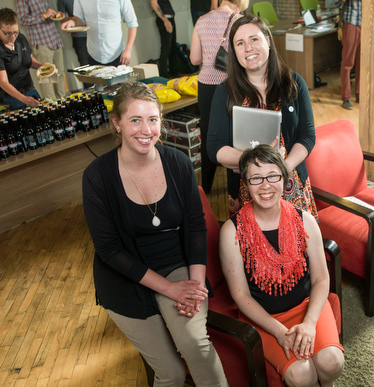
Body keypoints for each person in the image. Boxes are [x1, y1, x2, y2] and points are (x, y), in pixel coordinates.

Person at [82, 81, 228, 386]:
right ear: (117, 124)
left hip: (174, 265)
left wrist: (195, 286)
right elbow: (109, 250)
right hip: (122, 279)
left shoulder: (179, 164)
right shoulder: (97, 176)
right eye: (135, 120)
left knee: (196, 348)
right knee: (172, 373)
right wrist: (170, 290)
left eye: (153, 119)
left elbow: (195, 227)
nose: (145, 130)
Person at [220, 145, 344, 386]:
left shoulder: (305, 220)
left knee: (332, 363)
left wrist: (309, 323)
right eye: (256, 178)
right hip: (263, 318)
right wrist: (278, 331)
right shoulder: (231, 231)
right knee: (301, 376)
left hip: (307, 307)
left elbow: (320, 279)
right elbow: (241, 296)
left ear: (285, 178)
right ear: (245, 184)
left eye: (273, 176)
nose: (265, 185)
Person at [207, 15, 318, 220]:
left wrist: (283, 167)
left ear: (268, 40)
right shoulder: (225, 92)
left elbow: (307, 136)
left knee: (299, 246)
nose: (248, 48)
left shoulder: (294, 83)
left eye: (254, 39)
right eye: (240, 43)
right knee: (254, 249)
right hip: (246, 187)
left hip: (290, 180)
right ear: (234, 52)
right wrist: (253, 164)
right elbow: (215, 148)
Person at [190, 0, 249, 194]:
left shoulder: (201, 20)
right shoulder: (241, 22)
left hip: (206, 85)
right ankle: (237, 188)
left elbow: (194, 59)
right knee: (235, 136)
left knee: (209, 135)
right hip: (232, 85)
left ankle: (205, 187)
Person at [60, 0, 138, 66]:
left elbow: (132, 23)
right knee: (96, 84)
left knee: (119, 84)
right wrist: (71, 22)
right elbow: (79, 19)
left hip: (116, 53)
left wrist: (128, 49)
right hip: (93, 54)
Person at [16, 0, 66, 100]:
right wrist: (43, 16)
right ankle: (52, 106)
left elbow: (46, 14)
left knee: (59, 73)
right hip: (41, 42)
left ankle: (63, 102)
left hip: (55, 39)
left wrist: (54, 14)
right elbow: (22, 20)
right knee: (46, 76)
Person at [0, 8, 42, 109]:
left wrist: (43, 66)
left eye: (15, 32)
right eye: (8, 33)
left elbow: (29, 60)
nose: (13, 37)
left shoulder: (21, 38)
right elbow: (3, 82)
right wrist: (24, 99)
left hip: (30, 91)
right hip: (11, 98)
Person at [339, 0, 361, 110]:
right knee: (347, 64)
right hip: (351, 25)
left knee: (362, 64)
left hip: (367, 25)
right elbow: (336, 2)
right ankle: (346, 98)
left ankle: (359, 94)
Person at [150, 0, 180, 79]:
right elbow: (154, 4)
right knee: (166, 48)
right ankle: (164, 75)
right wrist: (165, 21)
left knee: (173, 47)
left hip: (170, 17)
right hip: (164, 19)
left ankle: (174, 73)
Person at [57, 0, 89, 67]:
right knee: (85, 65)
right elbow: (61, 18)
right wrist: (76, 20)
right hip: (79, 37)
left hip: (94, 34)